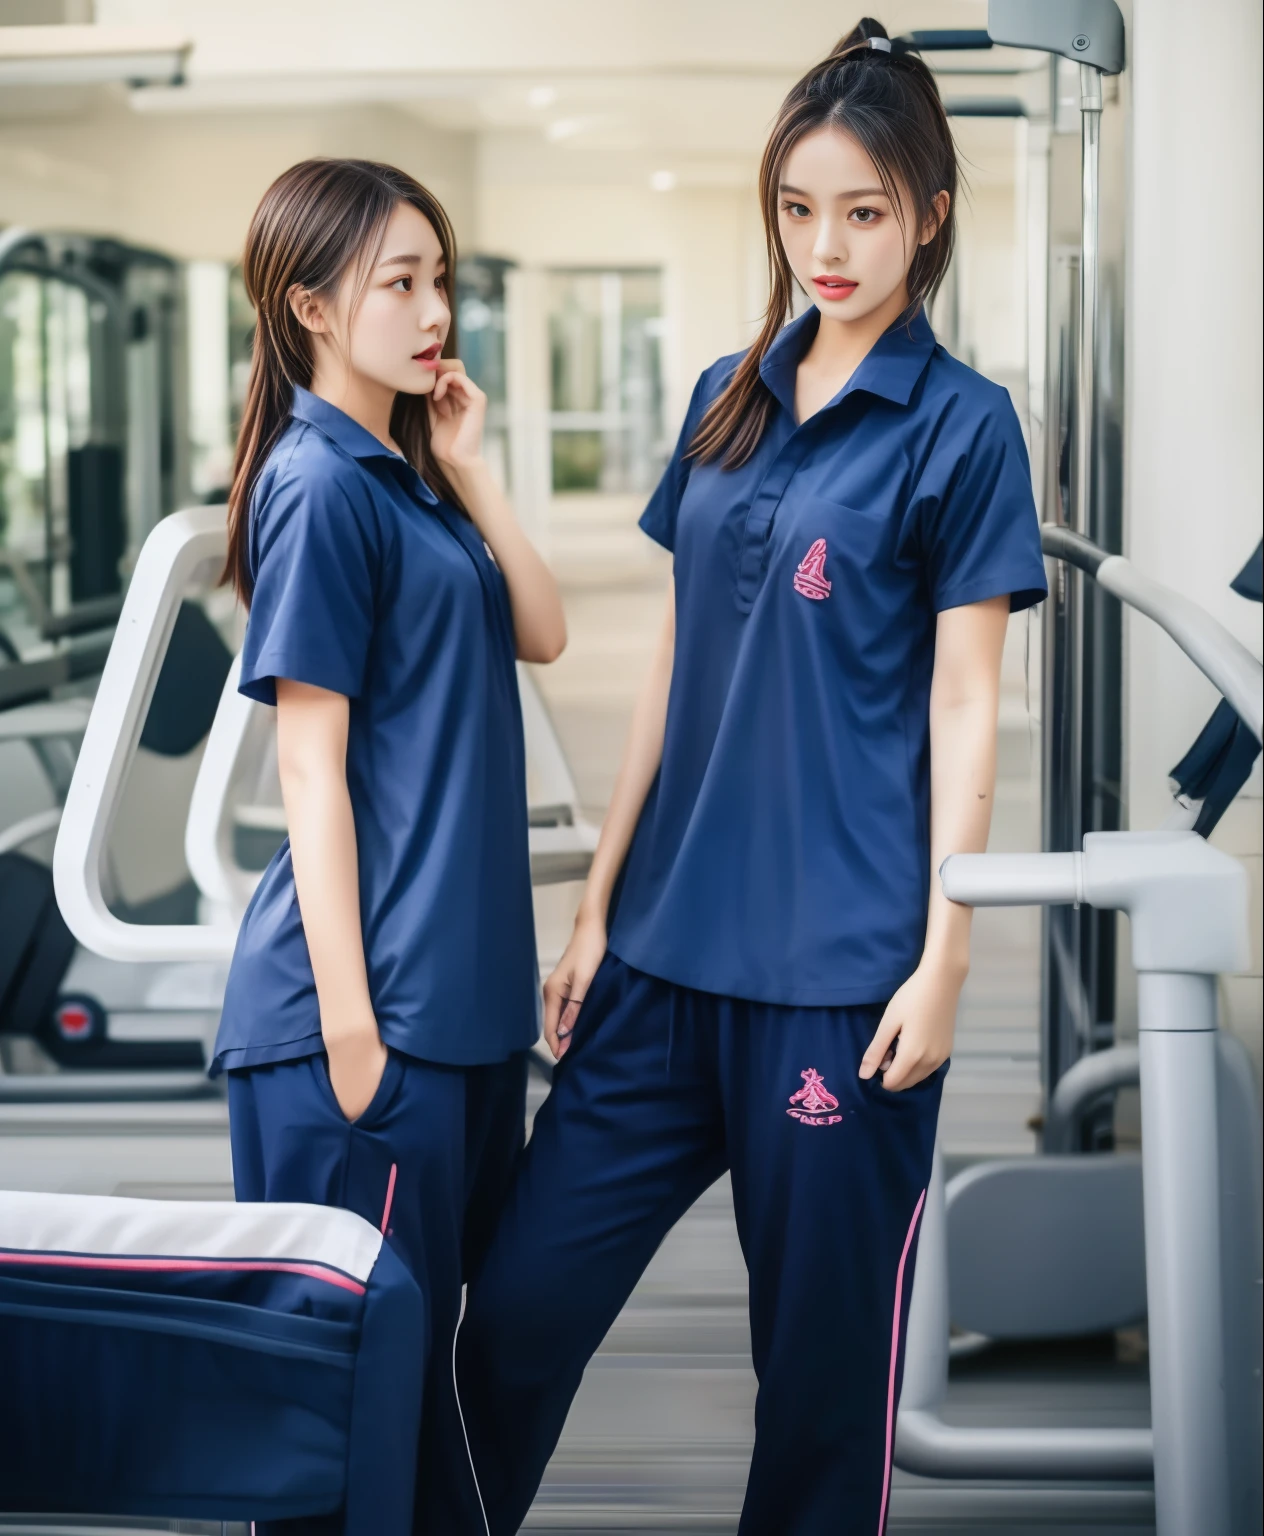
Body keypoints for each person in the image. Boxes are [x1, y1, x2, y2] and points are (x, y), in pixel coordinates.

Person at [455, 20, 1048, 1535]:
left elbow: (969, 704)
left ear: (929, 209)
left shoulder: (965, 427)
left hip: (846, 983)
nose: (827, 245)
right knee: (510, 1322)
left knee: (820, 1393)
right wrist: (596, 903)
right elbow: (670, 664)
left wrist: (951, 953)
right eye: (798, 209)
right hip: (658, 963)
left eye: (862, 209)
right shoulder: (730, 388)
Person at [209, 158, 565, 1534]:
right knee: (346, 1421)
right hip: (366, 1025)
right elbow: (310, 762)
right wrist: (354, 1030)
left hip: (458, 1022)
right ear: (308, 306)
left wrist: (473, 469)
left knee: (417, 1406)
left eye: (441, 280)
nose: (434, 312)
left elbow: (544, 631)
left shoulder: (410, 480)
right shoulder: (318, 485)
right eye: (398, 284)